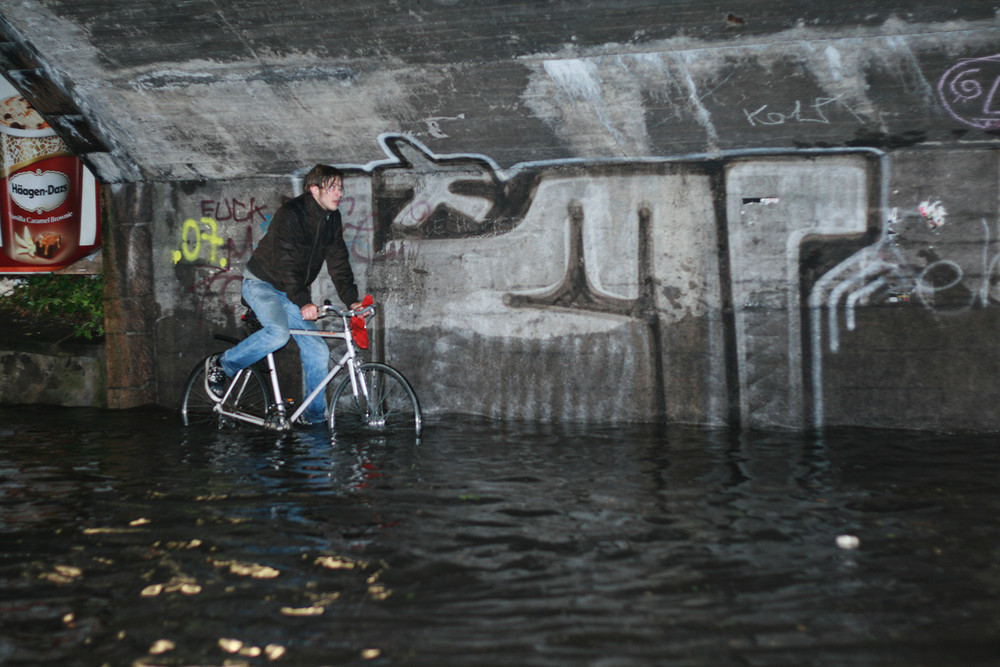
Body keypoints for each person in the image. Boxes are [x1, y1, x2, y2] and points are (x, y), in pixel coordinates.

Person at [205, 164, 362, 426]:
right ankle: (223, 365)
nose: (339, 193)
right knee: (278, 334)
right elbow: (287, 263)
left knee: (318, 351)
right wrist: (303, 302)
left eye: (341, 188)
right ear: (314, 189)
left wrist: (352, 299)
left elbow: (338, 261)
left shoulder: (331, 218)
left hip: (290, 290)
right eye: (333, 187)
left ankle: (312, 418)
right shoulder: (291, 214)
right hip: (261, 284)